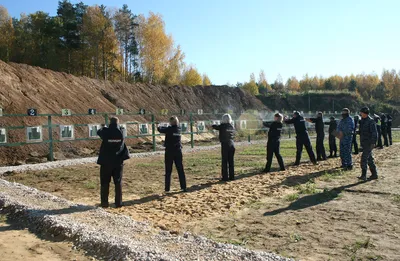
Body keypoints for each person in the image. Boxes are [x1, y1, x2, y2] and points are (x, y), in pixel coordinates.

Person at [97, 117, 130, 208]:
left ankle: (104, 203)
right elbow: (123, 129)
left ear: (110, 123)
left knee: (105, 182)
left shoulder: (106, 132)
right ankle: (118, 203)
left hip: (106, 161)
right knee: (118, 182)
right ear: (118, 123)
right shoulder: (122, 132)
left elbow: (99, 132)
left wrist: (103, 127)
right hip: (118, 161)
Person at [158, 116, 187, 192]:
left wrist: (159, 125)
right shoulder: (179, 129)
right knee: (180, 169)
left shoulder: (169, 129)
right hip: (178, 151)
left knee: (168, 171)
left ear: (171, 122)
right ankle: (183, 186)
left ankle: (167, 189)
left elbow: (160, 130)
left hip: (169, 151)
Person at [212, 114, 236, 181]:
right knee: (231, 161)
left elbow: (216, 127)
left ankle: (225, 177)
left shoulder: (223, 126)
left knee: (224, 161)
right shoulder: (231, 126)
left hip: (225, 144)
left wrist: (212, 125)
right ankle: (232, 176)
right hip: (232, 144)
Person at [358, 107, 378, 181]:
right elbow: (362, 131)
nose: (360, 114)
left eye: (361, 113)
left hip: (369, 143)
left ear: (365, 113)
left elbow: (374, 133)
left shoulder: (371, 121)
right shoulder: (362, 121)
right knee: (369, 159)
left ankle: (363, 175)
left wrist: (373, 142)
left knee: (364, 159)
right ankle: (374, 174)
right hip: (364, 142)